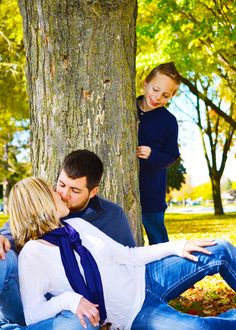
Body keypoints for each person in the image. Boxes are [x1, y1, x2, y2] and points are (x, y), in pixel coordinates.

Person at [9, 177, 236, 330]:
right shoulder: (32, 254)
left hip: (146, 276)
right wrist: (70, 300)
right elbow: (33, 314)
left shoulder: (77, 225)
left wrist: (177, 246)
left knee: (220, 249)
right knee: (199, 327)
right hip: (137, 313)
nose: (61, 194)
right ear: (40, 203)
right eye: (52, 192)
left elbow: (128, 255)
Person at [0, 150, 135, 329]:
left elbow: (130, 263)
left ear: (93, 191)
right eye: (61, 185)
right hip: (31, 304)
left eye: (75, 190)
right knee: (3, 257)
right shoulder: (45, 206)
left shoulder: (112, 216)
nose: (64, 194)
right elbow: (14, 231)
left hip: (74, 312)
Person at [137, 62, 181, 245]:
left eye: (165, 95)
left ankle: (166, 268)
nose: (157, 97)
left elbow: (172, 154)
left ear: (171, 97)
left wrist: (153, 155)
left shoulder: (168, 121)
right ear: (146, 82)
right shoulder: (125, 107)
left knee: (158, 239)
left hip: (151, 193)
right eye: (155, 89)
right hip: (123, 188)